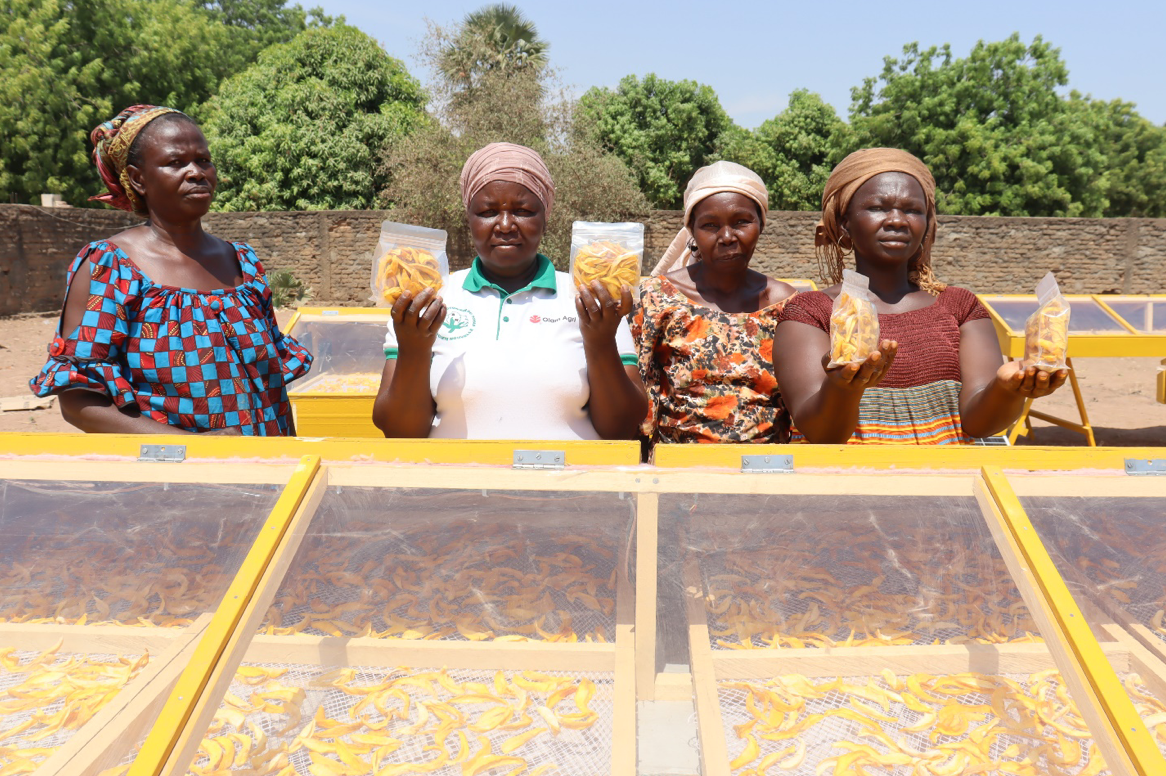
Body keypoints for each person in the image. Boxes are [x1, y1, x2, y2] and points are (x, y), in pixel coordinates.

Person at [29, 105, 312, 435]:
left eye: (203, 160)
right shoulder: (111, 268)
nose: (196, 172)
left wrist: (291, 454)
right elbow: (80, 402)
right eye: (175, 163)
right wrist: (196, 450)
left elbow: (272, 386)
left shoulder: (243, 264)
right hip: (174, 481)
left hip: (270, 474)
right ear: (138, 179)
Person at [773, 148, 1068, 444]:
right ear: (844, 223)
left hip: (942, 483)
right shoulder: (809, 313)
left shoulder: (960, 308)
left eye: (912, 210)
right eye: (878, 207)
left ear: (927, 224)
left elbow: (979, 424)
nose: (897, 220)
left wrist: (1008, 389)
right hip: (848, 484)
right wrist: (844, 388)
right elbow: (820, 432)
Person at [372, 142, 647, 439]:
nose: (505, 225)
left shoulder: (589, 298)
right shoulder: (430, 300)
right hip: (457, 483)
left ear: (545, 218)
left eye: (523, 211)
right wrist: (414, 349)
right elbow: (399, 432)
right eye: (488, 211)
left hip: (567, 483)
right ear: (470, 220)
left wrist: (601, 342)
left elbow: (621, 428)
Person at [634, 162, 797, 444]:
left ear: (761, 224)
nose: (727, 237)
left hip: (766, 473)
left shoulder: (786, 303)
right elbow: (639, 400)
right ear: (692, 232)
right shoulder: (657, 298)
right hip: (678, 472)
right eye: (710, 225)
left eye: (742, 222)